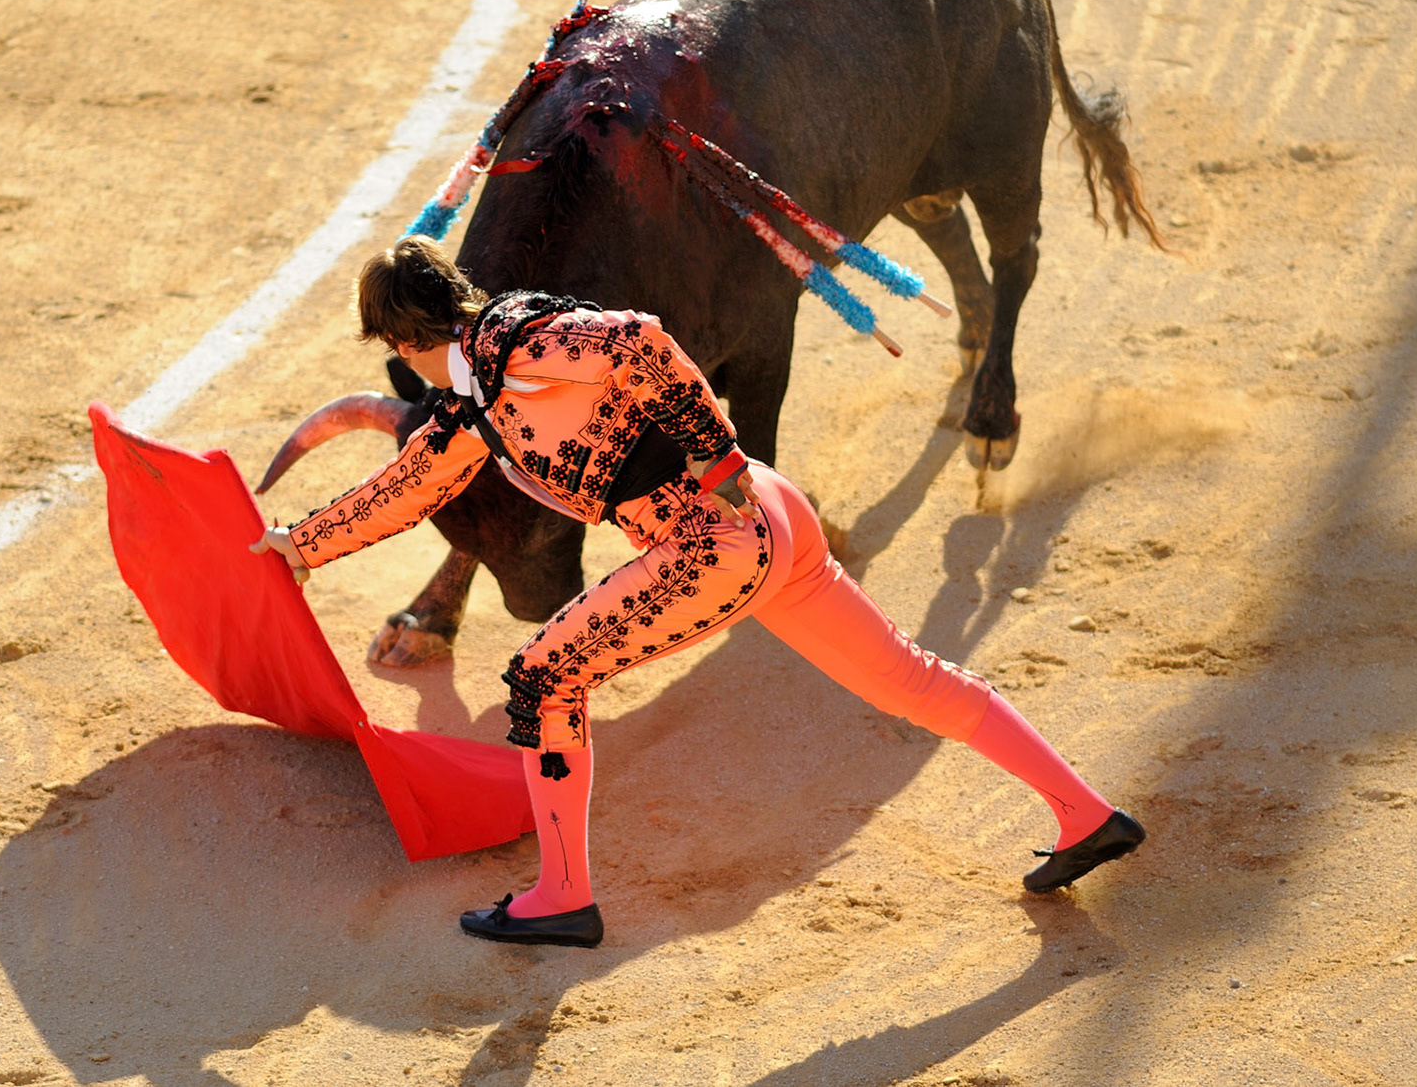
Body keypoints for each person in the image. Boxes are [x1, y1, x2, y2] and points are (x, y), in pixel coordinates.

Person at [251, 236, 1144, 947]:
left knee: (544, 677)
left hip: (712, 533)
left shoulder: (517, 345)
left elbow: (639, 338)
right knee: (910, 678)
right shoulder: (480, 392)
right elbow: (405, 488)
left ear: (406, 341)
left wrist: (714, 453)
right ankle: (1085, 812)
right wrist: (299, 548)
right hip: (766, 515)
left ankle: (562, 895)